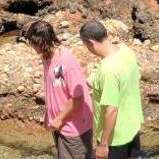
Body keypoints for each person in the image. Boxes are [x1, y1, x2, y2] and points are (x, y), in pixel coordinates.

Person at [22, 21, 94, 159]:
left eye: (31, 42)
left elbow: (77, 97)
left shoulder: (66, 61)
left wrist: (59, 119)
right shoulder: (46, 56)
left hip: (74, 127)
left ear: (40, 43)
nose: (31, 46)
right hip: (59, 124)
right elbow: (53, 89)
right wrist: (49, 115)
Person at [79, 20, 144, 159]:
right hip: (132, 125)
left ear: (91, 42)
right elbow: (129, 79)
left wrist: (103, 144)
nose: (88, 49)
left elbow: (111, 110)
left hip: (115, 138)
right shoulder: (126, 51)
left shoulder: (108, 69)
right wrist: (94, 82)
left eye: (86, 46)